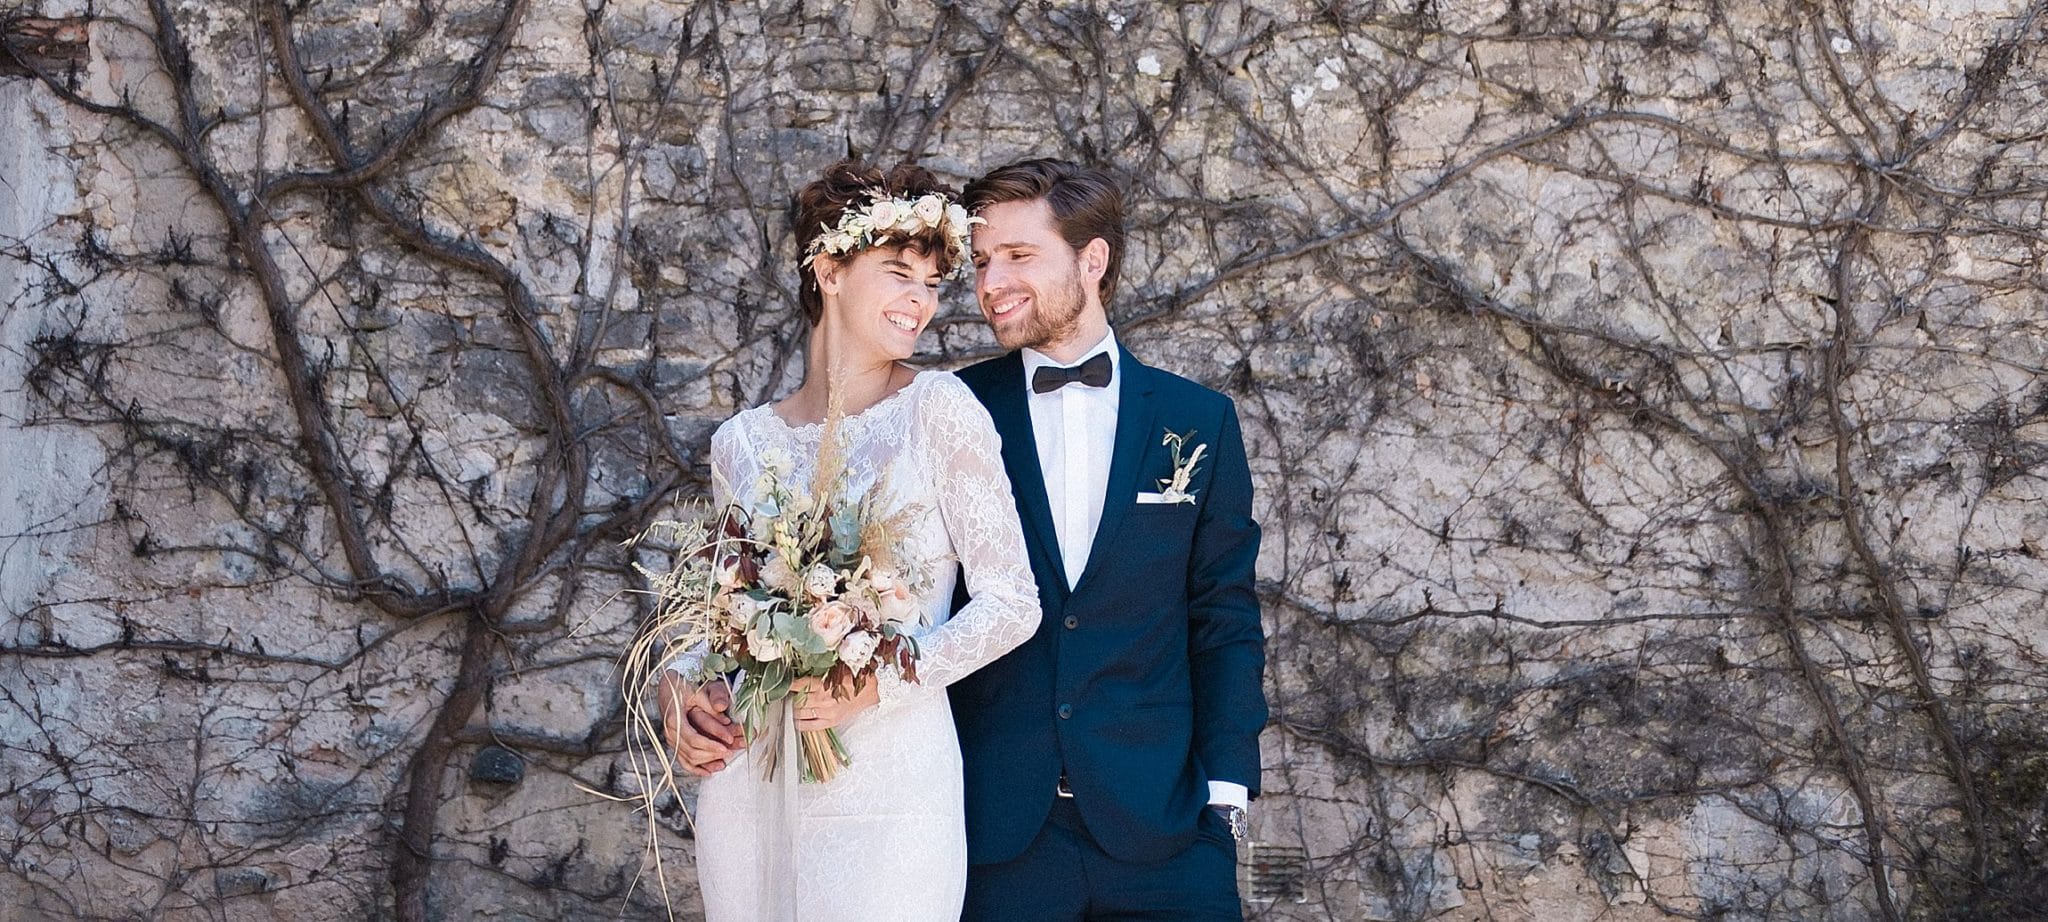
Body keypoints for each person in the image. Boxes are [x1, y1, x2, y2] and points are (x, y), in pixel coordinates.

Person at [654, 159, 1041, 921]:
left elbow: (1012, 603)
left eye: (932, 284)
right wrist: (680, 691)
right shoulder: (742, 442)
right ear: (829, 270)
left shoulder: (941, 410)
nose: (920, 303)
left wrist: (879, 682)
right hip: (752, 780)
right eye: (899, 273)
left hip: (894, 792)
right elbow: (722, 617)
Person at [949, 158, 1268, 921]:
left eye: (1018, 256)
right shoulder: (951, 410)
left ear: (1092, 260)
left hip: (1167, 831)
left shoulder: (1199, 421)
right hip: (996, 836)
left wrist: (1224, 796)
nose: (992, 283)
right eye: (982, 262)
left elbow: (1223, 616)